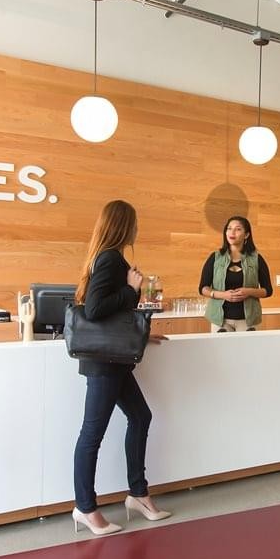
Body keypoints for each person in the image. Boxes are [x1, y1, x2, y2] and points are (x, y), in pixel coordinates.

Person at [72, 200, 170, 536]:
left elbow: (109, 311)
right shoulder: (111, 258)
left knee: (141, 416)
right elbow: (97, 308)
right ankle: (85, 507)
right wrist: (132, 288)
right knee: (91, 435)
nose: (138, 228)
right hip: (104, 363)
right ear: (123, 225)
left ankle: (138, 494)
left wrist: (141, 332)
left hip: (113, 360)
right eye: (135, 222)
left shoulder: (109, 256)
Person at [199, 216, 273, 332]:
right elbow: (203, 288)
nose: (232, 232)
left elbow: (268, 290)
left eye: (238, 229)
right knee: (221, 350)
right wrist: (222, 295)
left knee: (248, 351)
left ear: (247, 235)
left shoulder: (256, 258)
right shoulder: (215, 257)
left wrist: (249, 292)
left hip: (248, 320)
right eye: (229, 228)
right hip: (220, 320)